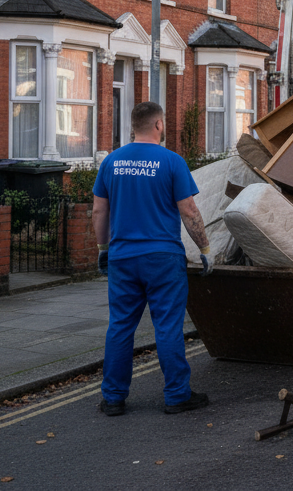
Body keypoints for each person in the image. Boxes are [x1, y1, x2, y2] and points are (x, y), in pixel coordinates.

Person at [93, 101, 213, 416]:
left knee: (120, 326)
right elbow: (189, 210)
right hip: (163, 258)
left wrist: (103, 248)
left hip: (122, 257)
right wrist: (205, 249)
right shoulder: (172, 162)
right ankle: (177, 395)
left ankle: (113, 398)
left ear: (133, 126)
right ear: (158, 124)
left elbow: (99, 210)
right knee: (168, 326)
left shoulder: (111, 162)